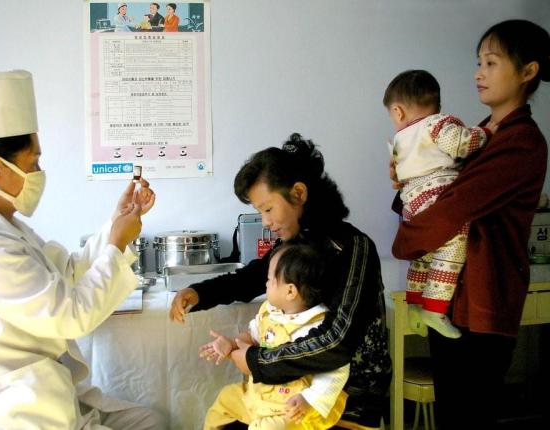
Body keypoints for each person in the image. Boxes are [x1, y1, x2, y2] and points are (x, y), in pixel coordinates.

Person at [0, 69, 165, 429]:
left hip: (36, 393)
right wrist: (118, 241)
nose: (39, 173)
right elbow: (72, 315)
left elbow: (69, 270)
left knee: (149, 421)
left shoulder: (2, 228)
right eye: (33, 163)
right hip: (8, 410)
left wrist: (116, 223)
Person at [170, 133, 392, 430]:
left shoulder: (353, 248)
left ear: (299, 194)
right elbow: (251, 278)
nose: (265, 221)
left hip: (345, 401)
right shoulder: (293, 245)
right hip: (284, 394)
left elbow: (338, 342)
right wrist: (198, 293)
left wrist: (258, 362)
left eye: (268, 209)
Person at [392, 19, 550, 430]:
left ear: (528, 71)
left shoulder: (521, 141)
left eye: (492, 62)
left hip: (483, 301)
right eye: (478, 62)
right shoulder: (477, 135)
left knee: (469, 415)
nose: (479, 73)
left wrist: (404, 243)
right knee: (454, 412)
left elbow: (454, 208)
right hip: (452, 298)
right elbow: (437, 193)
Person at [383, 69, 494, 339]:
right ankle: (434, 306)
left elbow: (401, 176)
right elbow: (460, 143)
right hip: (437, 196)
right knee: (453, 247)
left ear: (398, 112)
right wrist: (486, 133)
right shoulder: (438, 124)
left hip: (412, 205)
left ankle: (415, 302)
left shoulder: (400, 139)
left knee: (424, 255)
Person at [201, 242, 350, 429]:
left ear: (290, 291)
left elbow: (335, 369)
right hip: (259, 393)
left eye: (270, 279)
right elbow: (252, 336)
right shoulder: (269, 312)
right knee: (224, 400)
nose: (266, 283)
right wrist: (231, 344)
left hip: (292, 406)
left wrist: (309, 400)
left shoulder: (316, 325)